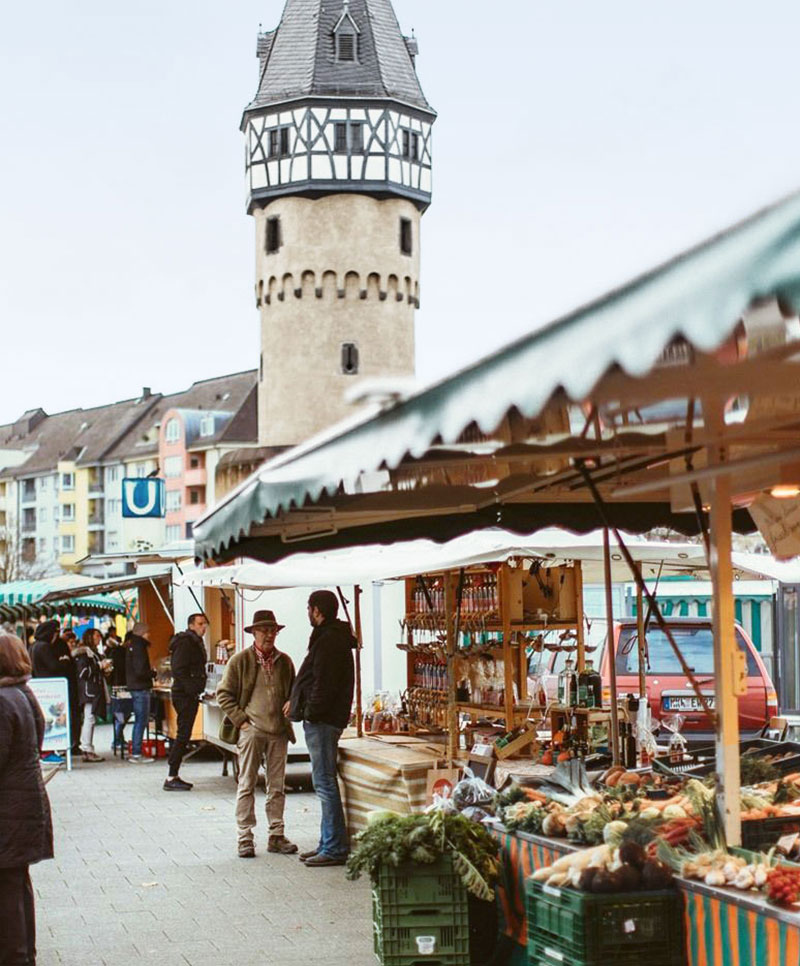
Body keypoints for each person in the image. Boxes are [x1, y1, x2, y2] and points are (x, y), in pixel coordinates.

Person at [216, 610, 297, 859]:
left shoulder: (284, 661)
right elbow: (224, 694)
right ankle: (245, 837)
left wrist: (292, 703)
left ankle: (276, 834)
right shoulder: (240, 661)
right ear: (254, 633)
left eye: (273, 630)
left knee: (277, 786)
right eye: (264, 630)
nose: (269, 635)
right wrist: (242, 723)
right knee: (246, 784)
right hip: (252, 731)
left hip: (278, 732)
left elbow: (294, 692)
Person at [289, 590, 355, 867]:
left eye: (309, 608)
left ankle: (334, 847)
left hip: (323, 721)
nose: (307, 613)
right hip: (325, 719)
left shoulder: (328, 640)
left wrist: (310, 712)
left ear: (317, 610)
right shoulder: (331, 637)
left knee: (325, 783)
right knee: (323, 782)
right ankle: (326, 842)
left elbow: (323, 684)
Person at [0, 632, 54, 965]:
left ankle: (14, 956)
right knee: (16, 883)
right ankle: (24, 954)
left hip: (8, 809)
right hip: (25, 805)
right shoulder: (22, 692)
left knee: (7, 888)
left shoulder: (4, 699)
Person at [164, 613, 208, 791]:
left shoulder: (193, 641)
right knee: (183, 734)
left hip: (187, 693)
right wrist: (192, 689)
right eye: (200, 623)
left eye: (205, 624)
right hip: (184, 695)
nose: (203, 627)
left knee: (184, 734)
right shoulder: (186, 642)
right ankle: (171, 775)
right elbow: (179, 669)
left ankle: (173, 774)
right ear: (191, 625)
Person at [30, 619, 80, 758]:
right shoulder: (44, 647)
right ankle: (49, 751)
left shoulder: (34, 646)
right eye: (56, 632)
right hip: (53, 689)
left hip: (42, 687)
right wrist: (64, 661)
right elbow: (54, 666)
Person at [73, 628, 108, 763]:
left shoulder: (92, 653)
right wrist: (99, 665)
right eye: (97, 635)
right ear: (90, 637)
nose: (99, 638)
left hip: (92, 689)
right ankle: (87, 748)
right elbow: (83, 673)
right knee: (89, 718)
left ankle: (88, 748)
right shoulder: (84, 653)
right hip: (89, 690)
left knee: (90, 718)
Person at [125, 623, 155, 763]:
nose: (149, 635)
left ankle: (136, 752)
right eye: (147, 632)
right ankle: (136, 753)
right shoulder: (139, 647)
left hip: (135, 687)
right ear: (142, 633)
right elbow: (140, 670)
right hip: (140, 688)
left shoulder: (132, 645)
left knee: (140, 720)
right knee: (141, 720)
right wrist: (152, 673)